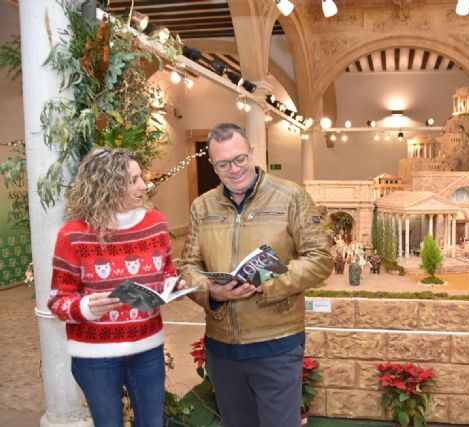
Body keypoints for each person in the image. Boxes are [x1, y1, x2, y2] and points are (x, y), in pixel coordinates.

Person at [179, 123, 333, 427]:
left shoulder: (290, 197)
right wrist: (211, 292)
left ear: (252, 152)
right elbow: (187, 267)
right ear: (212, 164)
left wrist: (266, 284)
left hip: (277, 341)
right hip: (221, 345)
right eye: (223, 164)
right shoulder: (202, 206)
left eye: (239, 159)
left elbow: (320, 259)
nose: (233, 169)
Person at [48, 147, 186, 427]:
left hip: (148, 350)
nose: (143, 185)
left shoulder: (156, 224)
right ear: (107, 186)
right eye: (133, 180)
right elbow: (57, 301)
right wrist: (86, 307)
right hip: (96, 357)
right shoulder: (73, 235)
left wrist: (173, 286)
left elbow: (166, 272)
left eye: (141, 177)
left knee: (153, 423)